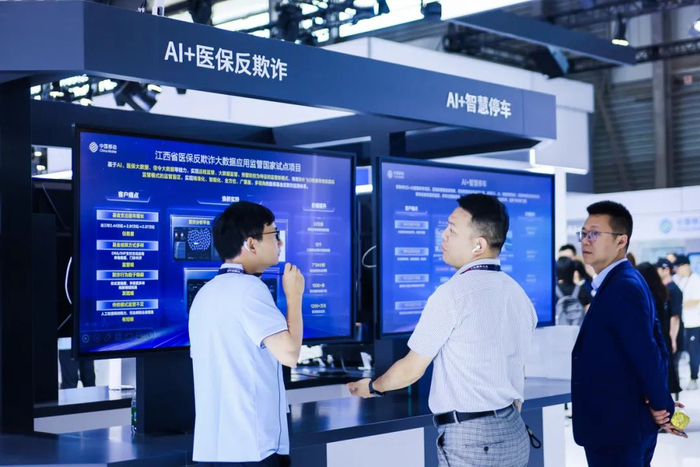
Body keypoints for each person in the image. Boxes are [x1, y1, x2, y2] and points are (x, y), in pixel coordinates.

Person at [348, 194, 537, 467]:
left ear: (479, 245)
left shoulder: (452, 294)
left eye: (452, 230)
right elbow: (518, 366)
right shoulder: (518, 293)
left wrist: (372, 387)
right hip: (513, 430)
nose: (443, 235)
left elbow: (411, 369)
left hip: (472, 438)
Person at [188, 201, 305, 466]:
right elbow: (290, 354)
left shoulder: (205, 293)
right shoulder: (250, 289)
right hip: (254, 448)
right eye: (274, 234)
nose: (280, 243)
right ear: (251, 244)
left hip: (213, 449)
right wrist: (294, 296)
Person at [572, 200, 685, 467]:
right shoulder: (626, 279)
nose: (585, 240)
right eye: (583, 233)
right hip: (621, 424)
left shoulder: (622, 285)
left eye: (594, 234)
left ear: (621, 240)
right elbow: (654, 342)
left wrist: (662, 406)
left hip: (616, 428)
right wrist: (660, 400)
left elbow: (646, 351)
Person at [637, 262, 681, 396]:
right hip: (662, 336)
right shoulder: (662, 292)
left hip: (651, 338)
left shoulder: (645, 295)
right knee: (664, 370)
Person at [655, 258, 684, 397]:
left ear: (666, 270)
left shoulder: (674, 290)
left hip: (672, 334)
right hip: (665, 334)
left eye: (658, 269)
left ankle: (674, 397)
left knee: (672, 367)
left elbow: (675, 317)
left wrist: (672, 339)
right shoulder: (663, 289)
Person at [674, 254, 700, 391]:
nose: (677, 270)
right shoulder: (679, 280)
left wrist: (680, 303)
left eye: (679, 267)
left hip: (694, 322)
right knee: (684, 352)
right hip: (683, 321)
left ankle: (694, 378)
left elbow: (696, 300)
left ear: (686, 266)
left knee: (693, 351)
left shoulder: (695, 280)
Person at [555, 257, 591, 325]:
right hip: (577, 329)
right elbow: (589, 311)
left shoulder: (553, 292)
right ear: (573, 271)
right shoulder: (582, 289)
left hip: (558, 329)